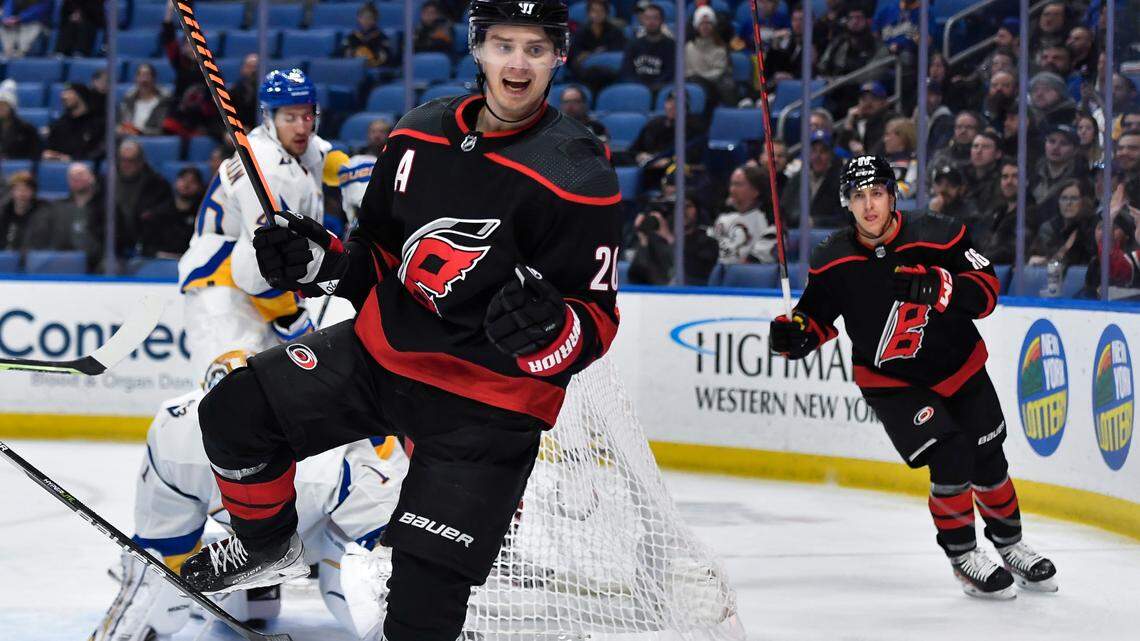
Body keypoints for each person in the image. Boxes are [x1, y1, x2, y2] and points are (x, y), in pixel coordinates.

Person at [178, 5, 622, 641]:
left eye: (535, 48)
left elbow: (597, 322)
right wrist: (316, 261)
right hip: (380, 360)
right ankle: (267, 546)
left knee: (420, 615)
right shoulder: (419, 133)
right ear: (479, 50)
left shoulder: (579, 175)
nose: (517, 63)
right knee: (233, 411)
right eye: (503, 45)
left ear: (560, 57)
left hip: (487, 408)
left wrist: (554, 335)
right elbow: (374, 262)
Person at [769, 154, 1058, 600]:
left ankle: (1011, 544)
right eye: (859, 197)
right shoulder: (831, 259)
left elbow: (987, 291)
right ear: (847, 203)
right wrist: (796, 334)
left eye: (877, 194)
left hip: (960, 366)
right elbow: (818, 318)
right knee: (950, 454)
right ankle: (963, 555)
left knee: (988, 458)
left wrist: (942, 288)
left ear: (893, 195)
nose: (869, 206)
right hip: (893, 383)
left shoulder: (940, 233)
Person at [89, 352, 410, 641]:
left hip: (334, 531)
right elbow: (163, 549)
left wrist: (387, 581)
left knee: (363, 597)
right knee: (183, 591)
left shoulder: (343, 451)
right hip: (250, 542)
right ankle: (259, 587)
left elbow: (386, 551)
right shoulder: (174, 434)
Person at [176, 68, 332, 382]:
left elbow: (326, 156)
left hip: (259, 286)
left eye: (307, 115)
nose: (302, 127)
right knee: (234, 386)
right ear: (269, 117)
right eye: (290, 117)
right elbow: (259, 265)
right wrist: (291, 318)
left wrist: (353, 172)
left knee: (282, 392)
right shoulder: (266, 169)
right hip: (221, 286)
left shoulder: (297, 146)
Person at [114, 140, 177, 259]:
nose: (126, 165)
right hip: (114, 248)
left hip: (148, 247)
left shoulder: (158, 185)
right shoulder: (107, 183)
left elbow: (164, 217)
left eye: (131, 160)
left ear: (140, 161)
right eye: (123, 160)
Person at [711, 164, 778, 265]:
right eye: (731, 184)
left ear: (755, 191)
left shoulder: (770, 220)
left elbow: (758, 261)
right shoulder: (724, 216)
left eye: (738, 185)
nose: (732, 190)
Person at [780, 129, 845, 227]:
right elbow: (785, 209)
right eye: (813, 151)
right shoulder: (797, 179)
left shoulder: (841, 182)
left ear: (831, 155)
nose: (817, 156)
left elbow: (845, 219)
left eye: (823, 151)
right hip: (796, 234)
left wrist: (815, 222)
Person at [1028, 177, 1097, 267]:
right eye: (1064, 198)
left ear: (1083, 201)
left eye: (1074, 198)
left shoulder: (1092, 226)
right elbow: (1044, 258)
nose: (1068, 203)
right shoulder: (1049, 228)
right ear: (1058, 202)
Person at [568, 0, 625, 90]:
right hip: (586, 72)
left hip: (608, 71)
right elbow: (576, 54)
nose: (597, 14)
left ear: (607, 13)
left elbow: (617, 53)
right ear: (588, 13)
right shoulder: (581, 31)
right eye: (594, 11)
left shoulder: (616, 31)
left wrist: (591, 54)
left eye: (601, 11)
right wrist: (594, 53)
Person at [685, 5, 735, 108]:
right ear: (696, 26)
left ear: (713, 26)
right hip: (693, 87)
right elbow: (685, 71)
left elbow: (718, 72)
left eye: (708, 23)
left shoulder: (720, 48)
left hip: (713, 87)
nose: (705, 26)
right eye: (702, 23)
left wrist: (699, 77)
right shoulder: (688, 47)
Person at [41, 83, 106, 162]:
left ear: (81, 95)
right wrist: (48, 153)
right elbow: (50, 147)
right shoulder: (60, 123)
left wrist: (73, 159)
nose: (64, 96)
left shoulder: (97, 123)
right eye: (64, 93)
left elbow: (99, 151)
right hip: (59, 167)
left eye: (69, 92)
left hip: (84, 168)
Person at [620, 2, 675, 92]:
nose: (651, 22)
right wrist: (640, 87)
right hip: (636, 89)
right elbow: (626, 72)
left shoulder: (671, 45)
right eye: (647, 18)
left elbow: (670, 73)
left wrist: (653, 87)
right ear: (642, 20)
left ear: (662, 20)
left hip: (660, 89)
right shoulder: (633, 44)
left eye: (655, 18)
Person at [118, 63, 174, 137]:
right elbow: (120, 124)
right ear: (136, 79)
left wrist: (139, 132)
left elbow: (163, 130)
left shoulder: (165, 102)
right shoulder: (128, 101)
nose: (144, 80)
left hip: (153, 141)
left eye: (147, 75)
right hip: (129, 141)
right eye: (140, 75)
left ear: (154, 79)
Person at [0, 171, 50, 252]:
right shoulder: (4, 213)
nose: (22, 194)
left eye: (26, 190)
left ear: (33, 192)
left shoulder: (41, 214)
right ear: (12, 192)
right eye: (18, 190)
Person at [0, 79, 41, 159]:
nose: (0, 108)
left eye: (4, 105)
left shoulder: (26, 128)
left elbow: (36, 152)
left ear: (11, 107)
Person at [345, 2, 394, 68]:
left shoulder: (381, 37)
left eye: (370, 18)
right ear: (358, 18)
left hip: (375, 68)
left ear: (375, 20)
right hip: (353, 68)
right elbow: (341, 54)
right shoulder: (352, 36)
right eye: (363, 17)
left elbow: (388, 58)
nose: (366, 20)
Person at [227, 53, 262, 131]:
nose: (253, 71)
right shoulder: (234, 90)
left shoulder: (266, 91)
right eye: (250, 67)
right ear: (243, 69)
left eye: (256, 67)